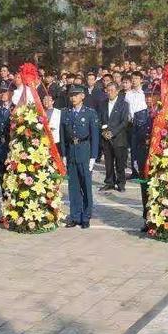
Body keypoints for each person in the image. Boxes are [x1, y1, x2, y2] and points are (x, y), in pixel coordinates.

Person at [60, 85, 99, 229]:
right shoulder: (66, 113)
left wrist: (93, 157)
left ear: (83, 96)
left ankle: (86, 216)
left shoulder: (90, 113)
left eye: (76, 95)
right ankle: (75, 216)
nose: (73, 97)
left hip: (84, 151)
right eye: (71, 95)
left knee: (86, 186)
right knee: (73, 187)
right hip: (71, 152)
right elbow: (63, 136)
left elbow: (95, 136)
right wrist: (63, 154)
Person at [133, 86, 161, 231]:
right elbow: (134, 140)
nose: (149, 99)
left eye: (152, 96)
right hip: (143, 156)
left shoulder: (162, 115)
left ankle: (159, 219)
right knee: (145, 189)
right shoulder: (139, 115)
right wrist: (134, 160)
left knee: (157, 188)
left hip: (157, 157)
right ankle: (147, 219)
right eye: (146, 96)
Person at [99, 82, 130, 192]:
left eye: (112, 90)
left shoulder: (124, 104)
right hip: (106, 138)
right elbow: (99, 119)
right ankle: (109, 182)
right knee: (108, 162)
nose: (110, 92)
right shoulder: (102, 103)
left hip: (119, 138)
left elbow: (124, 122)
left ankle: (121, 183)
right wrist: (103, 132)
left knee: (120, 163)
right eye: (108, 90)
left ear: (117, 91)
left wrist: (113, 132)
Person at [0, 82, 13, 194]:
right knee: (2, 175)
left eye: (5, 92)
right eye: (1, 92)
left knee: (12, 175)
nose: (3, 94)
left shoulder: (15, 107)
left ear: (10, 93)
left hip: (12, 147)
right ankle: (5, 199)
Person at [125, 71, 146, 179]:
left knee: (142, 148)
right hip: (131, 124)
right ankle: (134, 171)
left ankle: (143, 170)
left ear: (141, 80)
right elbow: (126, 110)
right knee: (133, 148)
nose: (134, 80)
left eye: (136, 78)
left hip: (143, 124)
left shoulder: (144, 94)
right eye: (132, 78)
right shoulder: (128, 94)